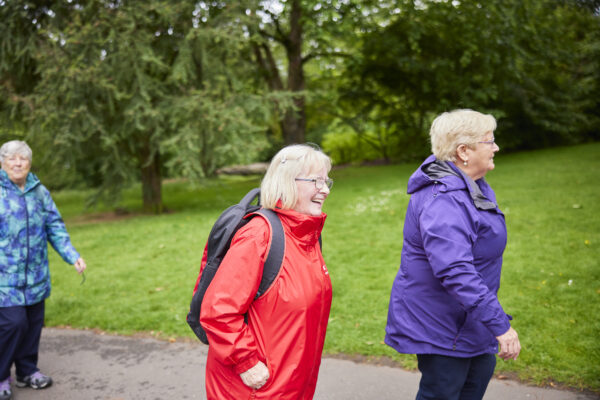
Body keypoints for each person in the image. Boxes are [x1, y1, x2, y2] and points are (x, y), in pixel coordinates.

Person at [385, 109, 521, 400]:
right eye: (489, 141)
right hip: (442, 326)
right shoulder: (444, 200)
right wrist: (500, 325)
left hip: (468, 319)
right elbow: (456, 271)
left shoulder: (471, 187)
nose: (496, 147)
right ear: (463, 151)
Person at [199, 144, 333, 400]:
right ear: (286, 182)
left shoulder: (306, 236)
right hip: (253, 388)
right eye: (316, 181)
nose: (325, 190)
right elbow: (218, 311)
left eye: (327, 181)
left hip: (291, 382)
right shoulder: (258, 236)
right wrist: (246, 363)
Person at [0, 140, 87, 400]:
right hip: (5, 278)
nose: (18, 163)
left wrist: (72, 255)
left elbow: (54, 226)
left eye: (23, 159)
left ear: (29, 163)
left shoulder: (39, 191)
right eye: (12, 158)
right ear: (2, 162)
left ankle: (27, 371)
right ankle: (2, 375)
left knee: (32, 325)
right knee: (13, 324)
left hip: (36, 276)